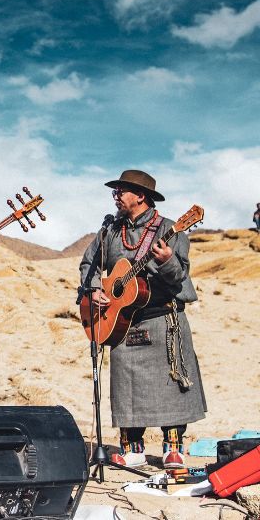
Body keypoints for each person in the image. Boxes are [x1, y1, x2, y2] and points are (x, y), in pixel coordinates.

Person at [79, 170, 206, 469]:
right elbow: (89, 264)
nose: (116, 196)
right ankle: (132, 448)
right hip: (122, 320)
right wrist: (94, 288)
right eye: (116, 191)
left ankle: (173, 448)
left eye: (121, 191)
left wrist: (166, 261)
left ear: (140, 195)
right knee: (127, 384)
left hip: (163, 317)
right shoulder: (110, 231)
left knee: (171, 383)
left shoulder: (171, 229)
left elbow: (180, 276)